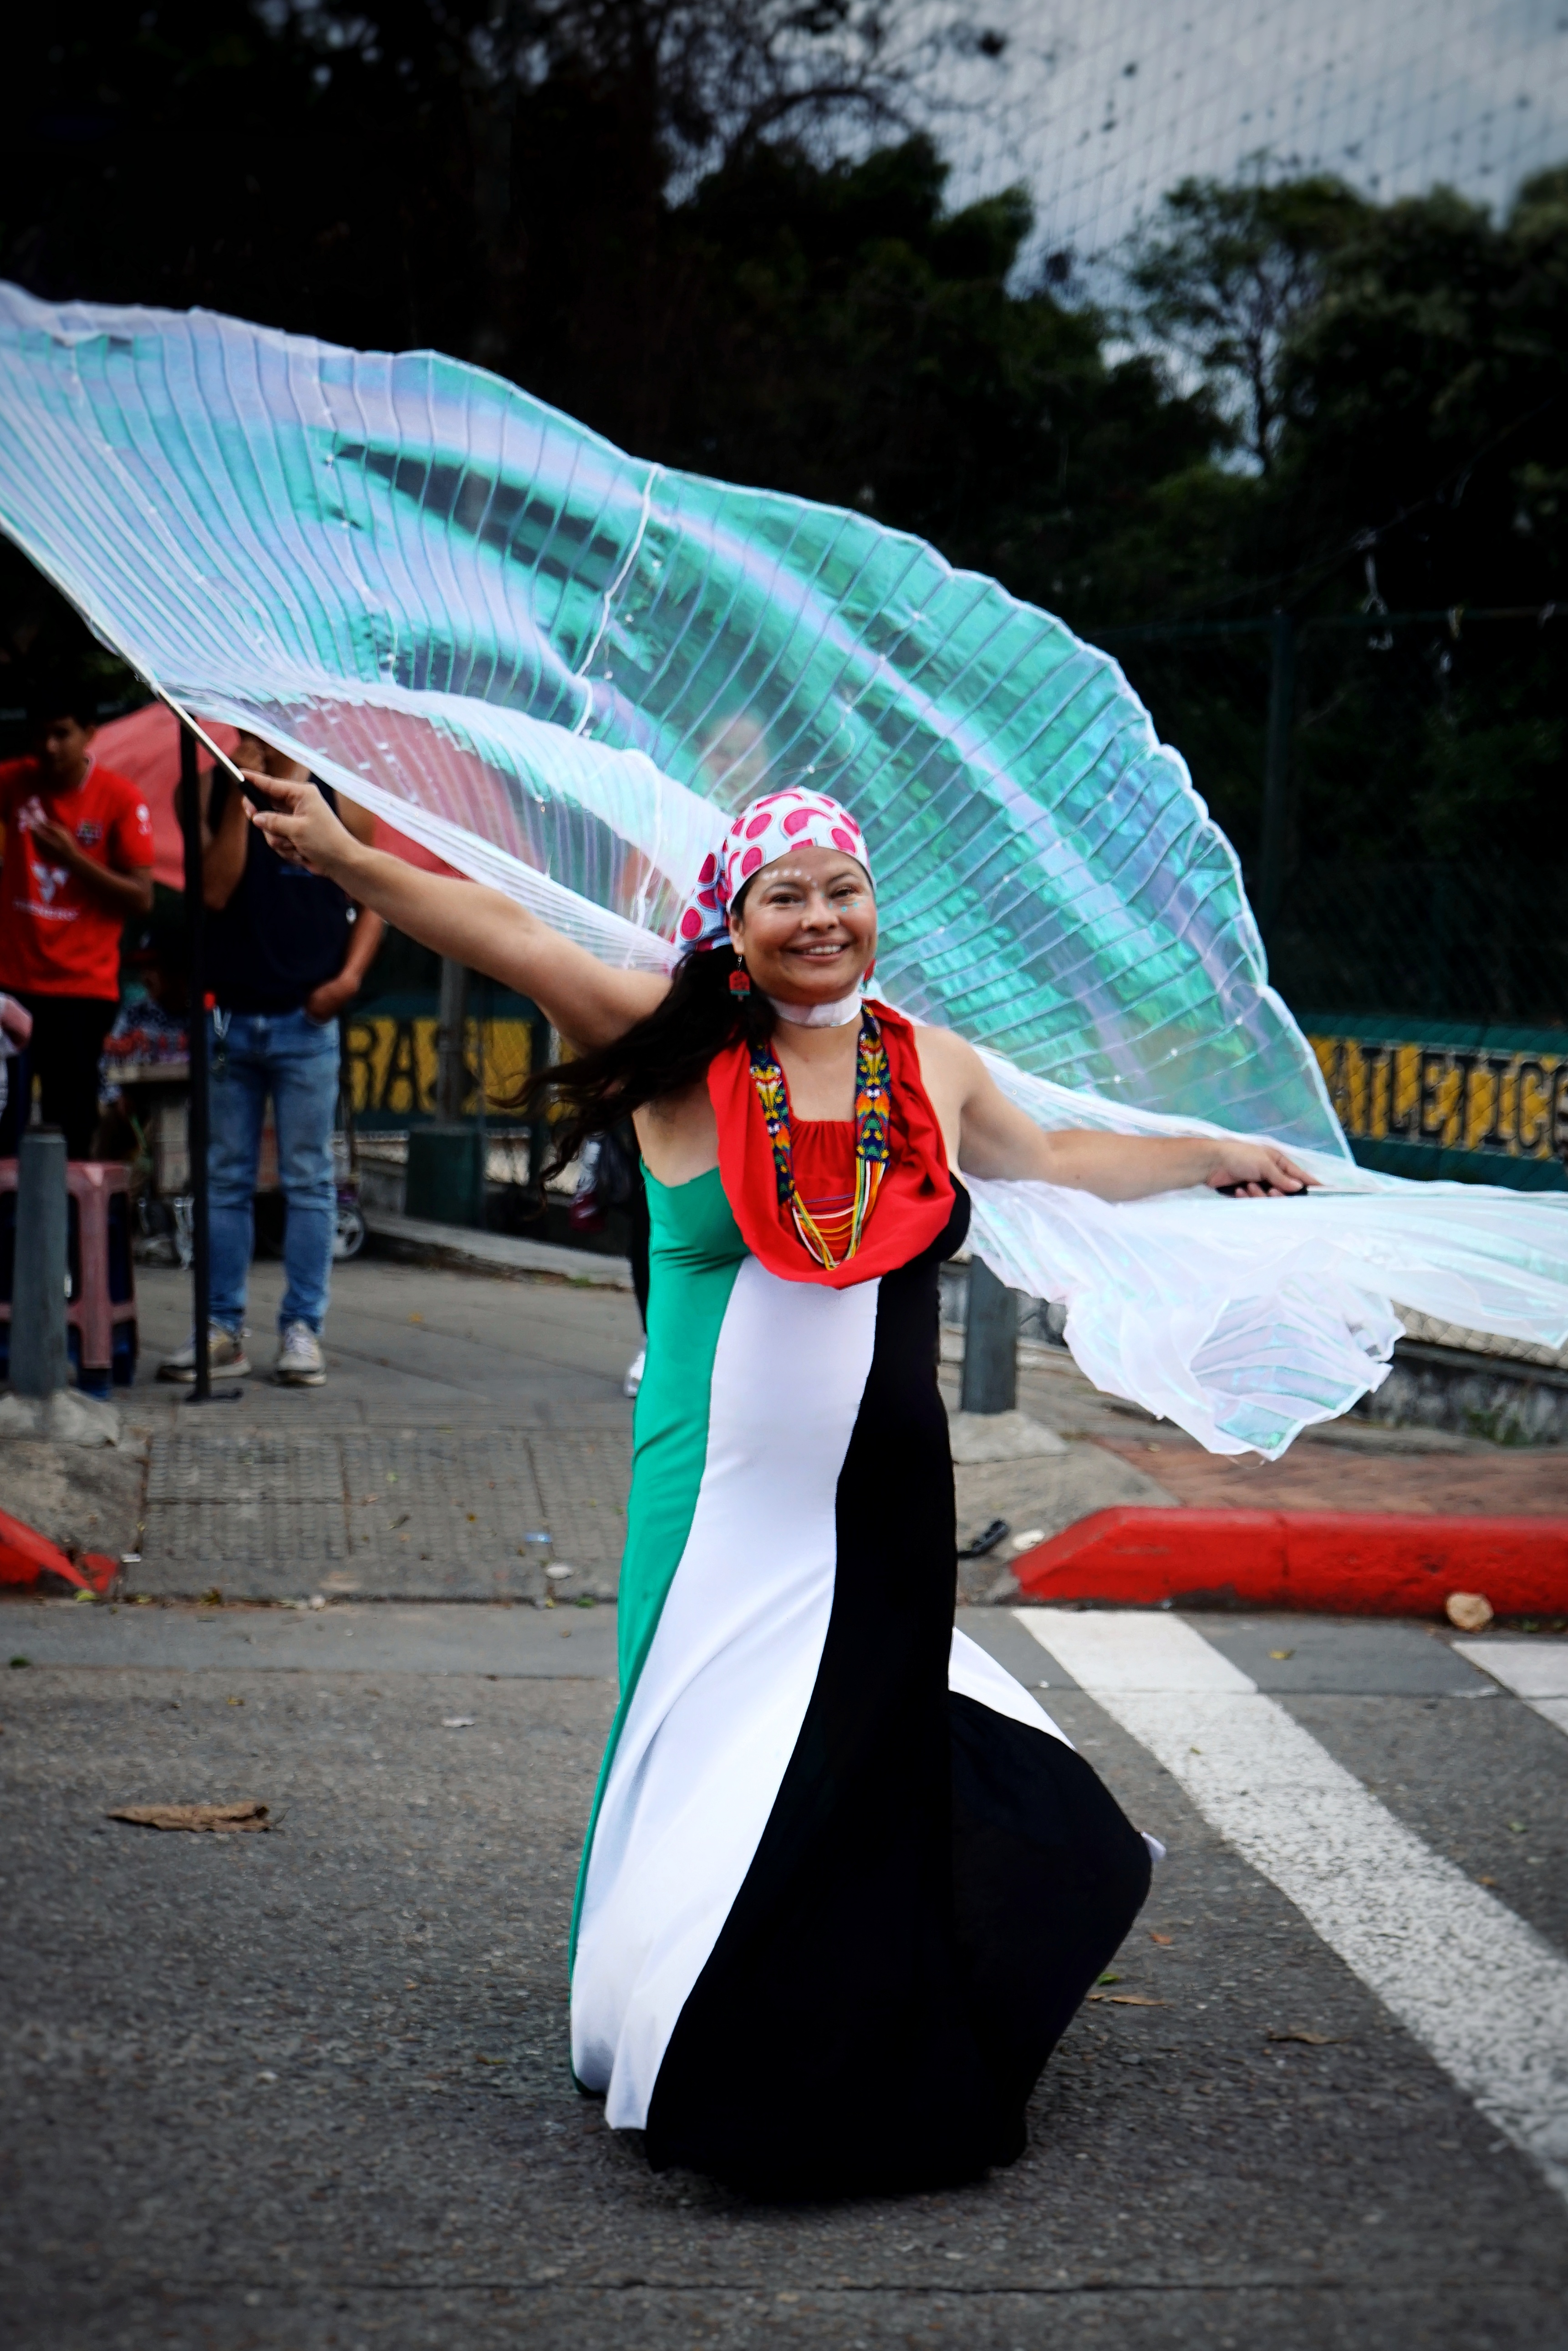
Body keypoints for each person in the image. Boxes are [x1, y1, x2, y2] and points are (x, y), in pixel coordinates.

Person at [248, 771, 1309, 2196]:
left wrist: (1216, 1154)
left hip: (882, 1504)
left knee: (889, 1791)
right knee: (724, 1775)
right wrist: (339, 856)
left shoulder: (923, 1063)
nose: (821, 916)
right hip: (723, 1509)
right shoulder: (677, 1047)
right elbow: (505, 932)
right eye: (785, 895)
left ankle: (856, 2024)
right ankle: (708, 2042)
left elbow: (1059, 1159)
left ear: (875, 907)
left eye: (842, 888)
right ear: (734, 923)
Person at [158, 736, 383, 1386]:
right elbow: (218, 887)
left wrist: (349, 979)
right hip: (230, 1015)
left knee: (308, 1177)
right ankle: (223, 1328)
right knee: (226, 1175)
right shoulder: (204, 790)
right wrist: (239, 789)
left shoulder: (341, 794)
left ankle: (302, 1327)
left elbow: (374, 896)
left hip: (306, 1018)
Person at [0, 686, 154, 1159]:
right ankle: (11, 1229)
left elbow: (142, 898)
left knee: (72, 1121)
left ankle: (70, 1228)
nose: (50, 747)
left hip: (81, 990)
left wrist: (73, 858)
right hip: (13, 985)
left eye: (62, 734)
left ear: (89, 733)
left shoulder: (119, 799)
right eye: (42, 734)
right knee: (7, 1114)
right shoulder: (12, 782)